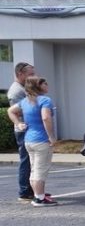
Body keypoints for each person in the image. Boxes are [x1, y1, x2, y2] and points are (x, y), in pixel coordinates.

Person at [7, 75, 58, 206]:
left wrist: (18, 123)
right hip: (41, 140)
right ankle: (40, 198)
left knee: (35, 169)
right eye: (44, 83)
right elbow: (46, 118)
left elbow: (11, 111)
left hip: (29, 140)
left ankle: (38, 195)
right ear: (38, 86)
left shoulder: (25, 101)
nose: (47, 85)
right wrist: (51, 136)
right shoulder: (45, 100)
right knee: (40, 170)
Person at [8, 61, 35, 201]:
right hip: (23, 129)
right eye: (30, 74)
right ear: (20, 74)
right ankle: (24, 191)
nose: (33, 76)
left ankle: (31, 190)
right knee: (26, 160)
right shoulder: (16, 91)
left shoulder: (22, 88)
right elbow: (18, 112)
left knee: (31, 161)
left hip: (28, 128)